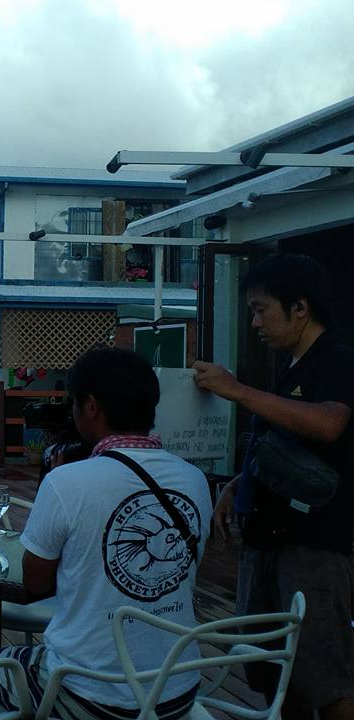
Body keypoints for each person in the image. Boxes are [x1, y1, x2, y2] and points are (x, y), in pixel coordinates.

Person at [0, 347, 212, 719]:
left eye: (72, 403)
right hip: (177, 689)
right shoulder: (194, 479)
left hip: (90, 695)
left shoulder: (67, 481)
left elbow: (36, 582)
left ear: (90, 407)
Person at [194, 253, 354, 720]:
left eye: (261, 309)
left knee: (322, 672)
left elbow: (329, 424)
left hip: (313, 546)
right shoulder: (289, 366)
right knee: (266, 665)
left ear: (300, 307)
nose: (255, 323)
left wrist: (238, 390)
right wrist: (238, 484)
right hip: (265, 540)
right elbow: (288, 449)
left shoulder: (338, 360)